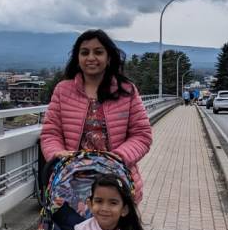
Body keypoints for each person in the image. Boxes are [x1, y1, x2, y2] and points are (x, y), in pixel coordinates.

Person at [40, 29, 152, 203]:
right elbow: (50, 133)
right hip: (70, 183)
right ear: (77, 59)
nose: (91, 57)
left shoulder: (127, 90)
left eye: (98, 52)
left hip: (116, 182)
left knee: (113, 221)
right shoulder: (63, 90)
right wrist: (57, 153)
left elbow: (142, 135)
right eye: (85, 53)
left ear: (109, 58)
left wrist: (119, 157)